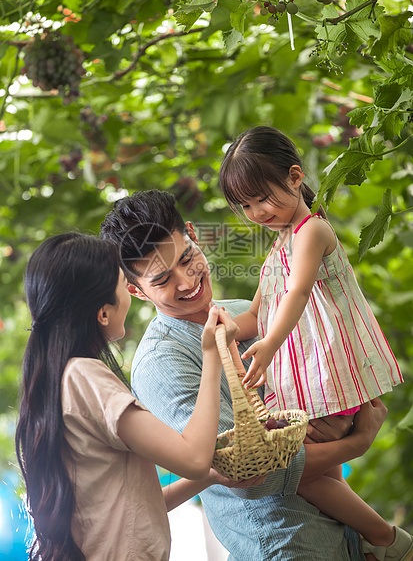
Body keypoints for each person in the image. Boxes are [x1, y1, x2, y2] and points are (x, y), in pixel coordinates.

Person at [100, 189, 391, 561]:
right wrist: (358, 442)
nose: (187, 282)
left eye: (188, 258)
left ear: (191, 232)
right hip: (287, 545)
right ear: (134, 290)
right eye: (162, 280)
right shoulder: (160, 365)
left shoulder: (245, 313)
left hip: (346, 538)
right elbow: (250, 475)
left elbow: (320, 392)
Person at [219, 125, 411, 561]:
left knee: (297, 472)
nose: (256, 212)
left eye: (262, 198)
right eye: (245, 205)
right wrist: (224, 327)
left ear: (294, 176)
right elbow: (256, 314)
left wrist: (267, 344)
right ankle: (366, 540)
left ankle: (384, 540)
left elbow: (298, 293)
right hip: (312, 384)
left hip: (331, 379)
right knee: (317, 469)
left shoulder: (311, 232)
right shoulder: (280, 247)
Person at [15, 232, 240, 561]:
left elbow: (132, 508)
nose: (130, 295)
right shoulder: (85, 377)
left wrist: (214, 477)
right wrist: (211, 355)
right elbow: (193, 458)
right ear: (103, 312)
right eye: (123, 284)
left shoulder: (59, 379)